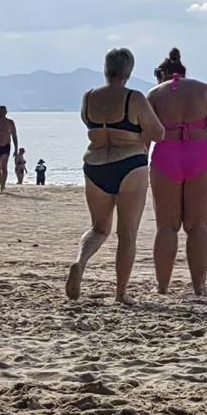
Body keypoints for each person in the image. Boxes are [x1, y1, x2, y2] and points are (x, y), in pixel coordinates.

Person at [67, 48, 165, 304]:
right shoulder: (133, 98)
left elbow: (88, 124)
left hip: (95, 164)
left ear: (105, 69)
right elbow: (158, 132)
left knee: (98, 228)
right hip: (129, 164)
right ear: (129, 72)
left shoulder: (89, 98)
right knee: (127, 234)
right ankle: (121, 293)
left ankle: (80, 261)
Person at [148, 48, 207, 296]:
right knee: (198, 226)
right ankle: (199, 287)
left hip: (166, 155)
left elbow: (145, 135)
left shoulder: (154, 94)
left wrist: (141, 164)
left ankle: (162, 287)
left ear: (162, 74)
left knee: (166, 226)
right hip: (200, 155)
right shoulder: (204, 89)